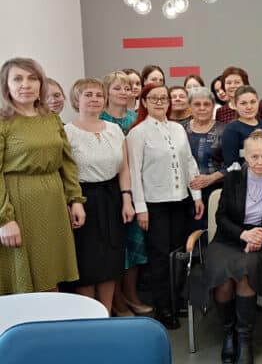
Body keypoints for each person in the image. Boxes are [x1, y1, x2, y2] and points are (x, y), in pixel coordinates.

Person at [0, 57, 85, 295]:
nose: (25, 85)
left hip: (53, 202)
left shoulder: (51, 118)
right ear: (6, 85)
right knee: (22, 278)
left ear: (41, 84)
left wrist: (75, 199)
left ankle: (51, 316)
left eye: (32, 78)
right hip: (18, 204)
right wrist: (4, 219)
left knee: (51, 271)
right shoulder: (3, 122)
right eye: (17, 79)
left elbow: (67, 162)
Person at [205, 130, 262, 364]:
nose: (260, 161)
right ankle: (228, 333)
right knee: (223, 276)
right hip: (229, 238)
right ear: (246, 157)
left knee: (245, 272)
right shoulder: (232, 178)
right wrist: (243, 234)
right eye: (254, 157)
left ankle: (244, 338)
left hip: (259, 239)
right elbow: (221, 217)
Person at [127, 83, 204, 329]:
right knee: (159, 257)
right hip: (154, 204)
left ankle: (176, 299)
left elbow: (189, 162)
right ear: (144, 102)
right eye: (154, 98)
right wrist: (141, 208)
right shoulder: (138, 133)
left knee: (178, 253)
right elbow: (134, 172)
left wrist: (196, 196)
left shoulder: (178, 129)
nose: (160, 102)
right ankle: (163, 307)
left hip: (179, 200)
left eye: (164, 98)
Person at [65, 78, 136, 313]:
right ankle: (89, 315)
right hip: (83, 200)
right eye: (88, 95)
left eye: (99, 95)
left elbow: (124, 168)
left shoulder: (114, 130)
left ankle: (106, 312)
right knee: (87, 261)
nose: (94, 99)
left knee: (111, 258)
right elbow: (65, 172)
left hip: (112, 197)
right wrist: (74, 202)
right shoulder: (67, 132)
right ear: (76, 99)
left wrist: (127, 199)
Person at [100, 71, 151, 317]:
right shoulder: (100, 118)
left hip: (136, 189)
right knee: (114, 247)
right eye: (117, 88)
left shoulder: (136, 118)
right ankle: (117, 299)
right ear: (107, 92)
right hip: (109, 191)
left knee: (136, 245)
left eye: (127, 88)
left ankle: (131, 294)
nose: (124, 92)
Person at [184, 87, 225, 229]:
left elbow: (234, 164)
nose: (202, 108)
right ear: (189, 107)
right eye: (197, 104)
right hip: (186, 194)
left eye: (206, 104)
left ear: (213, 106)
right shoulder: (180, 130)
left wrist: (210, 178)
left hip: (216, 191)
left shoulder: (225, 130)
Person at [221, 86, 262, 169]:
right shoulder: (231, 129)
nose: (249, 107)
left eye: (253, 102)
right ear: (235, 105)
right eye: (243, 103)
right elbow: (232, 164)